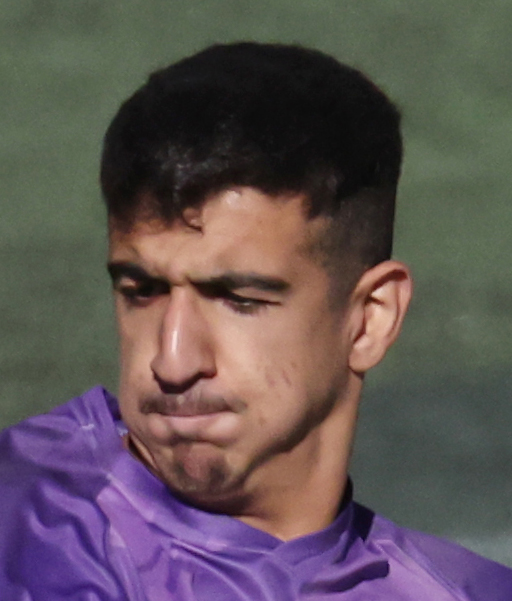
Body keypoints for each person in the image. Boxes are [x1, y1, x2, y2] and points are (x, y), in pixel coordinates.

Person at [0, 42, 510, 601]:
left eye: (238, 298)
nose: (173, 361)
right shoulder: (24, 525)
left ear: (370, 319)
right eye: (142, 292)